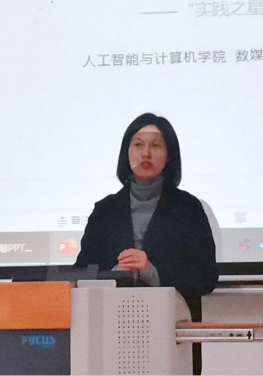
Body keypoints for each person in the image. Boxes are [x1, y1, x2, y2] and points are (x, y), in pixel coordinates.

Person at [74, 112, 219, 375]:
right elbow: (81, 273)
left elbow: (206, 277)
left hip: (171, 337)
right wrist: (113, 276)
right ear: (126, 152)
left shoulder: (189, 208)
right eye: (138, 144)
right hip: (112, 336)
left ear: (169, 154)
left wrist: (152, 272)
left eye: (156, 145)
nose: (146, 153)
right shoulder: (104, 210)